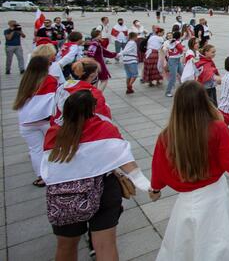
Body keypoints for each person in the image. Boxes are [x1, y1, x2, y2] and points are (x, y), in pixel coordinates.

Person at [149, 82, 229, 261]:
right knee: (220, 245)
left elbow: (158, 173)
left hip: (186, 203)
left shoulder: (167, 136)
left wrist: (155, 190)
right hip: (216, 199)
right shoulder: (218, 129)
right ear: (204, 101)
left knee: (184, 248)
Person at [43, 90, 148, 261]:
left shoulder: (53, 133)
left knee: (66, 246)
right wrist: (146, 185)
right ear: (93, 108)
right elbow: (125, 160)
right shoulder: (104, 128)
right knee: (105, 245)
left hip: (64, 196)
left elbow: (48, 167)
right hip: (103, 190)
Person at [14, 56, 57, 187]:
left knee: (35, 150)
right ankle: (55, 173)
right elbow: (54, 99)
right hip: (45, 120)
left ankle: (41, 177)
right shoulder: (50, 80)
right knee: (52, 147)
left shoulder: (26, 80)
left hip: (26, 122)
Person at [163, 31, 185, 97]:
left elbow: (181, 49)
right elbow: (165, 49)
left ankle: (184, 90)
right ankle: (167, 92)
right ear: (166, 37)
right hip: (172, 60)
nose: (169, 36)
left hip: (178, 60)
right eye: (168, 35)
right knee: (173, 77)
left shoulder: (176, 41)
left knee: (184, 74)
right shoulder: (166, 42)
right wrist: (167, 48)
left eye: (171, 35)